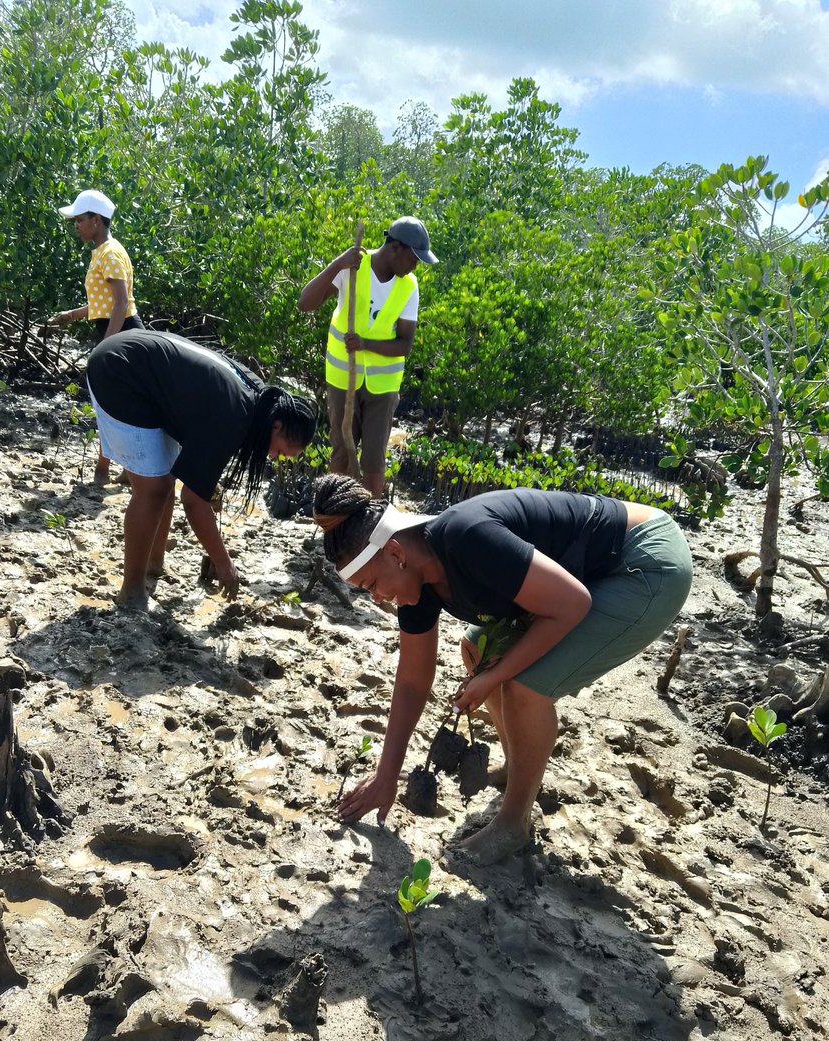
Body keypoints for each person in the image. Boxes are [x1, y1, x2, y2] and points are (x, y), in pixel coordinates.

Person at [312, 475, 693, 865]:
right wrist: (385, 776)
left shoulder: (469, 537)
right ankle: (516, 769)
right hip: (586, 571)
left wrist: (494, 678)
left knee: (525, 687)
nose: (377, 597)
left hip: (645, 561)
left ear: (395, 553)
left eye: (372, 583)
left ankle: (514, 822)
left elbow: (571, 604)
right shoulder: (418, 577)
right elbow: (411, 680)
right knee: (476, 648)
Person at [86, 330, 317, 610]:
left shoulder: (260, 400)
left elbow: (201, 461)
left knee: (165, 478)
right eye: (279, 451)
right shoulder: (234, 417)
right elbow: (193, 502)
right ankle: (132, 591)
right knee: (153, 490)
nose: (274, 457)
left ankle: (153, 564)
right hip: (119, 371)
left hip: (143, 369)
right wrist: (223, 562)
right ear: (277, 426)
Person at [298, 217, 437, 500]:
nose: (415, 266)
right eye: (414, 258)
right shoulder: (352, 268)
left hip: (383, 387)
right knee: (341, 452)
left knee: (373, 459)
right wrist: (336, 264)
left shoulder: (409, 285)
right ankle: (335, 518)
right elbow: (305, 304)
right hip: (342, 378)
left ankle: (370, 526)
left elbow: (404, 345)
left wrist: (365, 344)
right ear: (397, 249)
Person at [50, 188, 144, 484]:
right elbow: (103, 303)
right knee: (115, 406)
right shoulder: (103, 252)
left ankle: (107, 473)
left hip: (122, 334)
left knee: (114, 406)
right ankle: (118, 472)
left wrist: (107, 347)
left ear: (97, 221)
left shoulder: (111, 252)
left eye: (80, 219)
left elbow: (120, 303)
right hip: (115, 332)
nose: (76, 225)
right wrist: (71, 315)